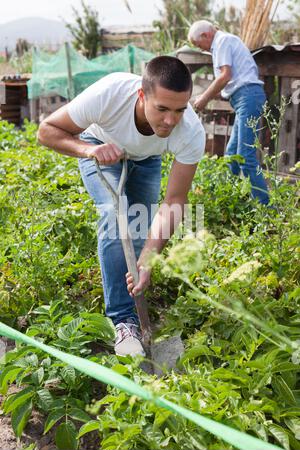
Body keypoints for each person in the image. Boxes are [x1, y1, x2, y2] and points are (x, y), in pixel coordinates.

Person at [38, 56, 205, 357]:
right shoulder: (110, 93)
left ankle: (135, 291)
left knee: (140, 231)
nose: (170, 120)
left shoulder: (191, 130)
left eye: (180, 109)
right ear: (142, 96)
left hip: (147, 159)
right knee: (117, 219)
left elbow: (175, 201)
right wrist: (90, 150)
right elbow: (47, 131)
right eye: (162, 109)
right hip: (99, 147)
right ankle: (124, 321)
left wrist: (148, 261)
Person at [188, 20, 270, 205]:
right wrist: (201, 97)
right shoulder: (220, 45)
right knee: (232, 155)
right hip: (244, 99)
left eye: (197, 44)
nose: (200, 49)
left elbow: (226, 76)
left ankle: (267, 209)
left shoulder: (222, 41)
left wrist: (204, 99)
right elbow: (224, 82)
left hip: (248, 97)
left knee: (245, 158)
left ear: (205, 35)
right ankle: (230, 201)